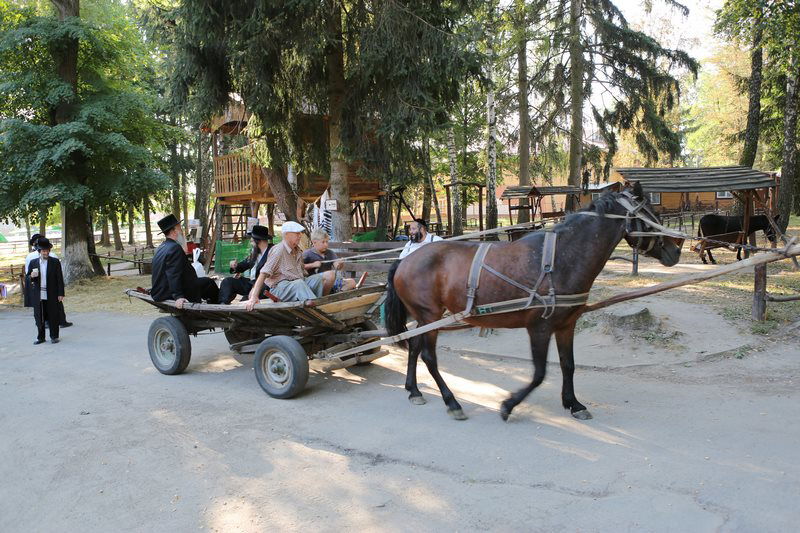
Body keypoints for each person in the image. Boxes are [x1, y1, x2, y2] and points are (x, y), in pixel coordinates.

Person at [245, 221, 336, 310]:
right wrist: (254, 297)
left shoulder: (297, 251)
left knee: (317, 278)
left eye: (300, 233)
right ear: (287, 235)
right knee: (298, 284)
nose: (300, 235)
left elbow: (302, 272)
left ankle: (315, 305)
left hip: (297, 283)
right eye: (297, 233)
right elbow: (263, 273)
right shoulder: (278, 250)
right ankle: (320, 310)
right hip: (280, 289)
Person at [150, 214, 219, 308]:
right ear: (173, 231)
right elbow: (173, 273)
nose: (182, 232)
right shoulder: (174, 248)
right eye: (179, 229)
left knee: (204, 282)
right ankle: (218, 308)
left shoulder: (162, 247)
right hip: (169, 292)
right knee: (209, 283)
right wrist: (178, 296)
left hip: (162, 290)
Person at [24, 234, 72, 328]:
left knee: (44, 306)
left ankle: (47, 323)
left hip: (42, 287)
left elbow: (27, 273)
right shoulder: (37, 258)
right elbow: (58, 276)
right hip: (47, 287)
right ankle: (59, 321)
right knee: (53, 306)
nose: (45, 253)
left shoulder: (30, 256)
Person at [219, 225, 274, 304]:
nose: (250, 242)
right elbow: (245, 264)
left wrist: (255, 288)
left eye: (252, 240)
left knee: (245, 301)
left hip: (264, 286)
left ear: (259, 241)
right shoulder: (255, 252)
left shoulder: (273, 252)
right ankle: (222, 305)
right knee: (227, 282)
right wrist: (235, 266)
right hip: (250, 283)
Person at [27, 238, 64, 344]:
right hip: (38, 294)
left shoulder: (55, 262)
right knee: (39, 316)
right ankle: (41, 337)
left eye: (47, 250)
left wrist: (61, 293)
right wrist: (31, 276)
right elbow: (28, 277)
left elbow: (59, 278)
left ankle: (54, 336)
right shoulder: (33, 262)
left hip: (52, 293)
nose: (46, 252)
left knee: (53, 315)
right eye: (44, 251)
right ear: (39, 251)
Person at [303, 228, 356, 293]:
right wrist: (312, 265)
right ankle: (325, 298)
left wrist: (340, 263)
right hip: (315, 284)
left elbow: (337, 266)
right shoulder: (307, 254)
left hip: (330, 282)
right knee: (330, 275)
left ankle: (338, 294)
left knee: (351, 282)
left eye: (327, 241)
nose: (326, 244)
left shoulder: (330, 253)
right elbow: (299, 267)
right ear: (314, 242)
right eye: (323, 242)